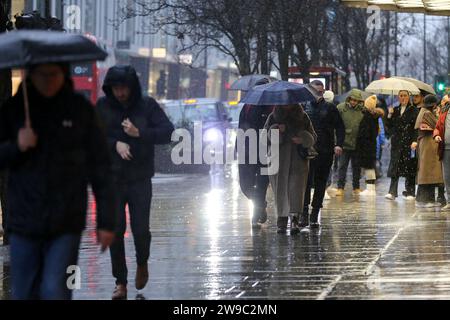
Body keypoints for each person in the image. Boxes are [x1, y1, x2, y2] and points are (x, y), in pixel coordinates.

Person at [0, 63, 116, 300]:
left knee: (55, 290)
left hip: (66, 220)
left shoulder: (79, 110)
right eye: (43, 74)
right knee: (23, 293)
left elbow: (100, 166)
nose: (49, 80)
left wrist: (106, 220)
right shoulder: (14, 110)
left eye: (55, 74)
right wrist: (17, 147)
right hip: (23, 220)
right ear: (31, 75)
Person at [96, 65, 174, 300]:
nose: (120, 93)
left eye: (124, 88)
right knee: (116, 231)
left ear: (132, 87)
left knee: (141, 230)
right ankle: (120, 281)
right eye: (116, 88)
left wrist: (140, 133)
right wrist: (114, 144)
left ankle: (142, 262)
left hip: (140, 178)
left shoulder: (147, 105)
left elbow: (167, 131)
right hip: (113, 180)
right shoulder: (102, 107)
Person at [265, 104, 317, 235]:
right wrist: (276, 130)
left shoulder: (303, 117)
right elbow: (264, 137)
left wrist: (302, 139)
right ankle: (281, 221)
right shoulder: (273, 116)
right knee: (280, 190)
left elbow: (313, 137)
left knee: (296, 190)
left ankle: (294, 219)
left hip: (297, 160)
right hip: (278, 160)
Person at [302, 81, 344, 228]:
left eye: (320, 92)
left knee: (320, 182)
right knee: (305, 183)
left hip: (325, 151)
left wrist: (339, 144)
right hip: (307, 150)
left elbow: (340, 126)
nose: (317, 95)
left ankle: (314, 214)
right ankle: (304, 213)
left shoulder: (330, 108)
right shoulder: (304, 106)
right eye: (315, 91)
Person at [238, 79, 272, 228]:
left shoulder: (271, 108)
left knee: (262, 183)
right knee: (245, 184)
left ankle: (256, 215)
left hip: (266, 150)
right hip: (247, 149)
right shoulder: (247, 106)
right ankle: (260, 204)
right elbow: (241, 127)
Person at [385, 90, 419, 201]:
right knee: (395, 167)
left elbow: (416, 128)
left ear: (409, 97)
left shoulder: (414, 110)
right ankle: (392, 192)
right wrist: (389, 115)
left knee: (409, 167)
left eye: (405, 96)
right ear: (398, 97)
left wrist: (415, 140)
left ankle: (410, 192)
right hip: (397, 144)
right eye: (400, 96)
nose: (403, 98)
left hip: (409, 143)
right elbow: (389, 128)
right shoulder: (395, 110)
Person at [415, 95, 444, 208]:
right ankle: (428, 199)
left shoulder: (423, 111)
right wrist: (438, 115)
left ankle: (425, 198)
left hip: (427, 146)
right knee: (429, 173)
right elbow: (437, 124)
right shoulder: (427, 113)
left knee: (426, 173)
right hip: (428, 146)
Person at [336, 89, 365, 196]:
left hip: (357, 143)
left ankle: (356, 187)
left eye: (356, 100)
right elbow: (336, 124)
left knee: (356, 167)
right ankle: (340, 187)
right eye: (352, 100)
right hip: (344, 143)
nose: (353, 102)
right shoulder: (341, 108)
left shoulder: (362, 110)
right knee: (342, 166)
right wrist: (337, 142)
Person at [357, 96, 385, 196]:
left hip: (367, 145)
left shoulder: (368, 117)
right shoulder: (374, 117)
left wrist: (360, 138)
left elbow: (365, 132)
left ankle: (370, 188)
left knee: (369, 167)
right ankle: (371, 188)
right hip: (370, 145)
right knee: (370, 167)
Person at [434, 95, 450, 211]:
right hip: (446, 149)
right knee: (447, 177)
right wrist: (437, 135)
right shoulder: (444, 112)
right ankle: (449, 201)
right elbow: (437, 127)